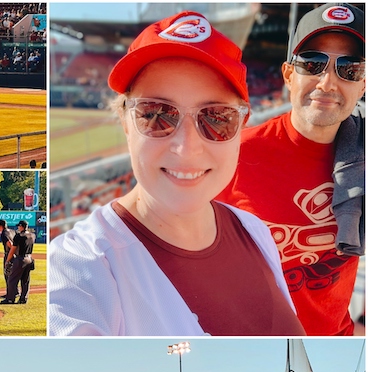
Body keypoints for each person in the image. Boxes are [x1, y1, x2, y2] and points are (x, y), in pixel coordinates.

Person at [48, 11, 304, 337]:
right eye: (156, 114)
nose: (186, 148)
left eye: (216, 117)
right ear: (126, 122)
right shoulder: (78, 266)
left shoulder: (255, 232)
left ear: (242, 125)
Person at [220, 3, 365, 336]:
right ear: (288, 75)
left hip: (334, 337)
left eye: (350, 69)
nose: (328, 82)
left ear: (363, 84)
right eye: (313, 64)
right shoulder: (235, 154)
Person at [1, 221, 35, 304]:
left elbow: (13, 249)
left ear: (21, 226)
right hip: (29, 258)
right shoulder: (32, 235)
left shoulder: (19, 236)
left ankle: (10, 299)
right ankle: (23, 298)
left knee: (12, 279)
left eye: (19, 226)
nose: (18, 228)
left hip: (20, 259)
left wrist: (8, 260)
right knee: (25, 280)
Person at [0, 219, 14, 292]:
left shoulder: (4, 233)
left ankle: (11, 293)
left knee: (8, 274)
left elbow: (10, 244)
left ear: (1, 225)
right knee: (12, 275)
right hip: (15, 255)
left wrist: (11, 255)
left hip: (9, 255)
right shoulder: (12, 231)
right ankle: (14, 292)